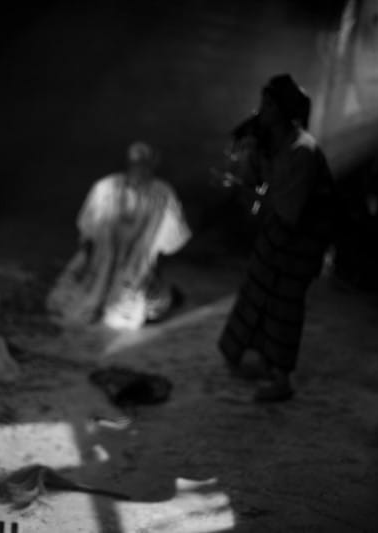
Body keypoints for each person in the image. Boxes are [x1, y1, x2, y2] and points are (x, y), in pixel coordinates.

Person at [218, 74, 338, 402]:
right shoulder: (272, 143)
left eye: (269, 105)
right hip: (281, 226)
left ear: (283, 111)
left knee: (284, 303)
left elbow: (288, 208)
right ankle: (262, 360)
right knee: (257, 288)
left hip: (303, 236)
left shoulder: (302, 151)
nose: (262, 111)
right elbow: (254, 181)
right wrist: (247, 155)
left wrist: (254, 195)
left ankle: (282, 378)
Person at [47, 141, 191, 330]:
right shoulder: (106, 187)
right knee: (75, 305)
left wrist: (153, 264)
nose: (140, 169)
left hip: (136, 261)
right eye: (136, 164)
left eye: (145, 165)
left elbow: (170, 235)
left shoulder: (162, 192)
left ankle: (168, 296)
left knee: (129, 315)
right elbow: (89, 226)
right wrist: (86, 256)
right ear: (128, 163)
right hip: (104, 257)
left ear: (152, 166)